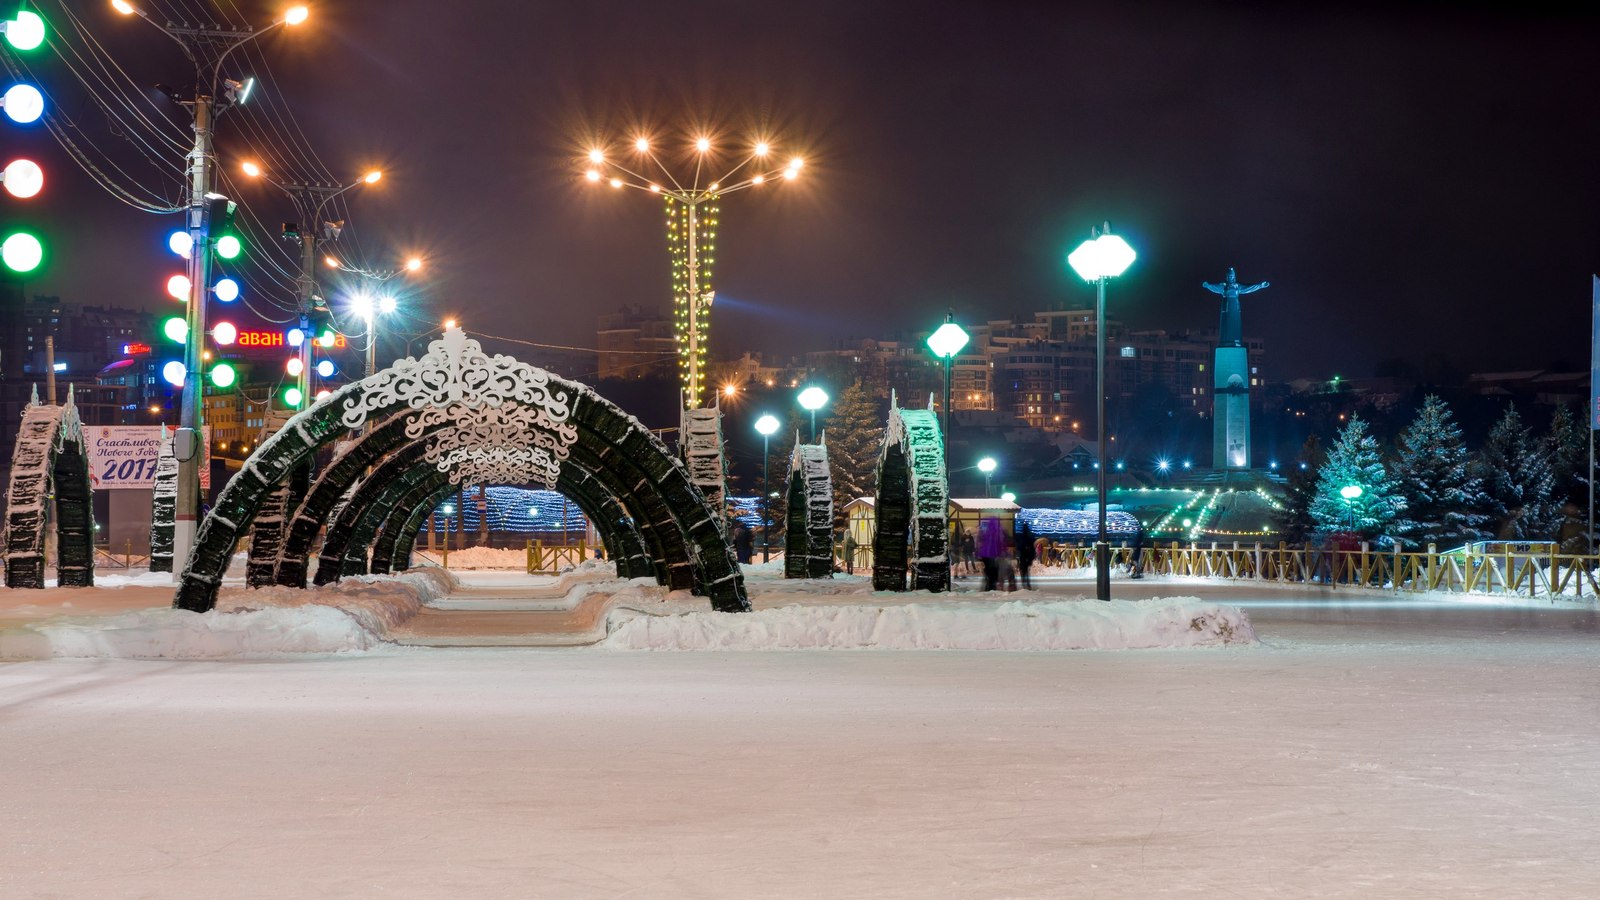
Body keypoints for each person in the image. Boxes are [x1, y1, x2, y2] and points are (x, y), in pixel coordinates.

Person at [977, 517, 1005, 591]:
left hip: (986, 555)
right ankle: (991, 586)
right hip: (993, 555)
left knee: (989, 571)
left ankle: (988, 585)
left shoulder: (987, 532)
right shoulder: (996, 533)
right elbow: (998, 544)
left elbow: (983, 543)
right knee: (994, 571)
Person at [1015, 520, 1036, 590]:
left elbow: (1019, 547)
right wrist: (1032, 557)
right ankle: (1027, 584)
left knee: (1023, 570)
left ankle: (1024, 582)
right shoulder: (1030, 537)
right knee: (1026, 570)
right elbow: (1033, 548)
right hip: (1028, 556)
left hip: (1023, 556)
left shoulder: (1021, 537)